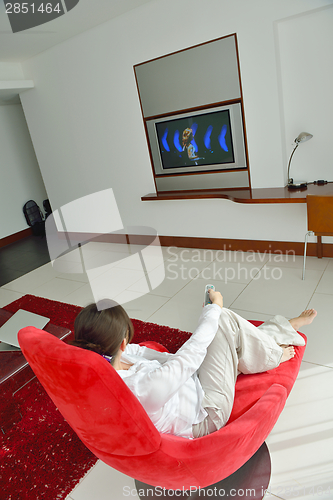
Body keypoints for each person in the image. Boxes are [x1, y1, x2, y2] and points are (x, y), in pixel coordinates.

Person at [71, 292, 317, 439]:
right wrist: (214, 308)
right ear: (122, 342)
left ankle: (275, 334)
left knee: (225, 334)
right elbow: (189, 356)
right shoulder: (141, 388)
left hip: (190, 386)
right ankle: (275, 351)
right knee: (222, 319)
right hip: (207, 412)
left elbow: (157, 357)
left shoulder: (102, 365)